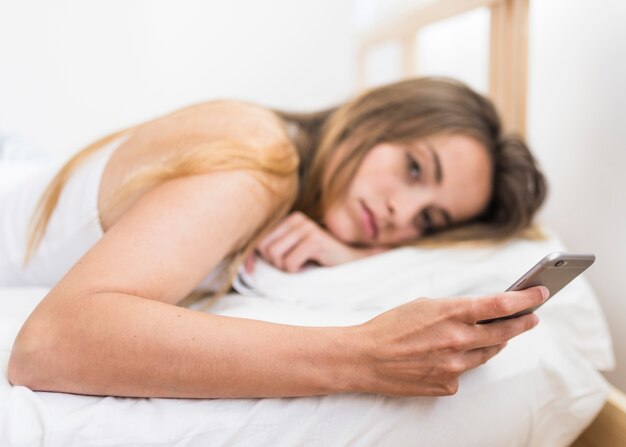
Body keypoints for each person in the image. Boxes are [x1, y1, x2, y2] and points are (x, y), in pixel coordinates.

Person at [5, 77, 549, 399]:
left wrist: (350, 249)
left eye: (428, 221)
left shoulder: (289, 184)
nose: (398, 212)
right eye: (412, 168)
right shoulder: (260, 161)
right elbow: (50, 343)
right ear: (374, 119)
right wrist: (364, 355)